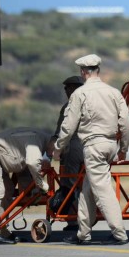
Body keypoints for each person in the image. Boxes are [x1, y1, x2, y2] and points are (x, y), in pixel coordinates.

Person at [55, 54, 129, 245]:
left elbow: (68, 125)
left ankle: (119, 233)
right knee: (88, 189)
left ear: (83, 73)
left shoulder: (79, 94)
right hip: (110, 145)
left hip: (93, 146)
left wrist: (58, 147)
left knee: (103, 189)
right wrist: (123, 149)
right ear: (98, 70)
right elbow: (126, 122)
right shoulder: (113, 92)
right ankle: (83, 233)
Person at [0, 127, 53, 244]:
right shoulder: (36, 139)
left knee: (8, 190)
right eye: (57, 151)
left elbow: (23, 168)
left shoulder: (40, 140)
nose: (54, 155)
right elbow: (32, 162)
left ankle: (3, 231)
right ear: (54, 143)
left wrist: (33, 191)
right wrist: (41, 184)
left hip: (2, 157)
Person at [52, 75, 84, 231]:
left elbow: (62, 130)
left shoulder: (69, 106)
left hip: (73, 147)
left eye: (68, 88)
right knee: (85, 184)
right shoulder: (90, 103)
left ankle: (74, 220)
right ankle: (82, 218)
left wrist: (56, 147)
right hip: (91, 147)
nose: (66, 91)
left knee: (69, 183)